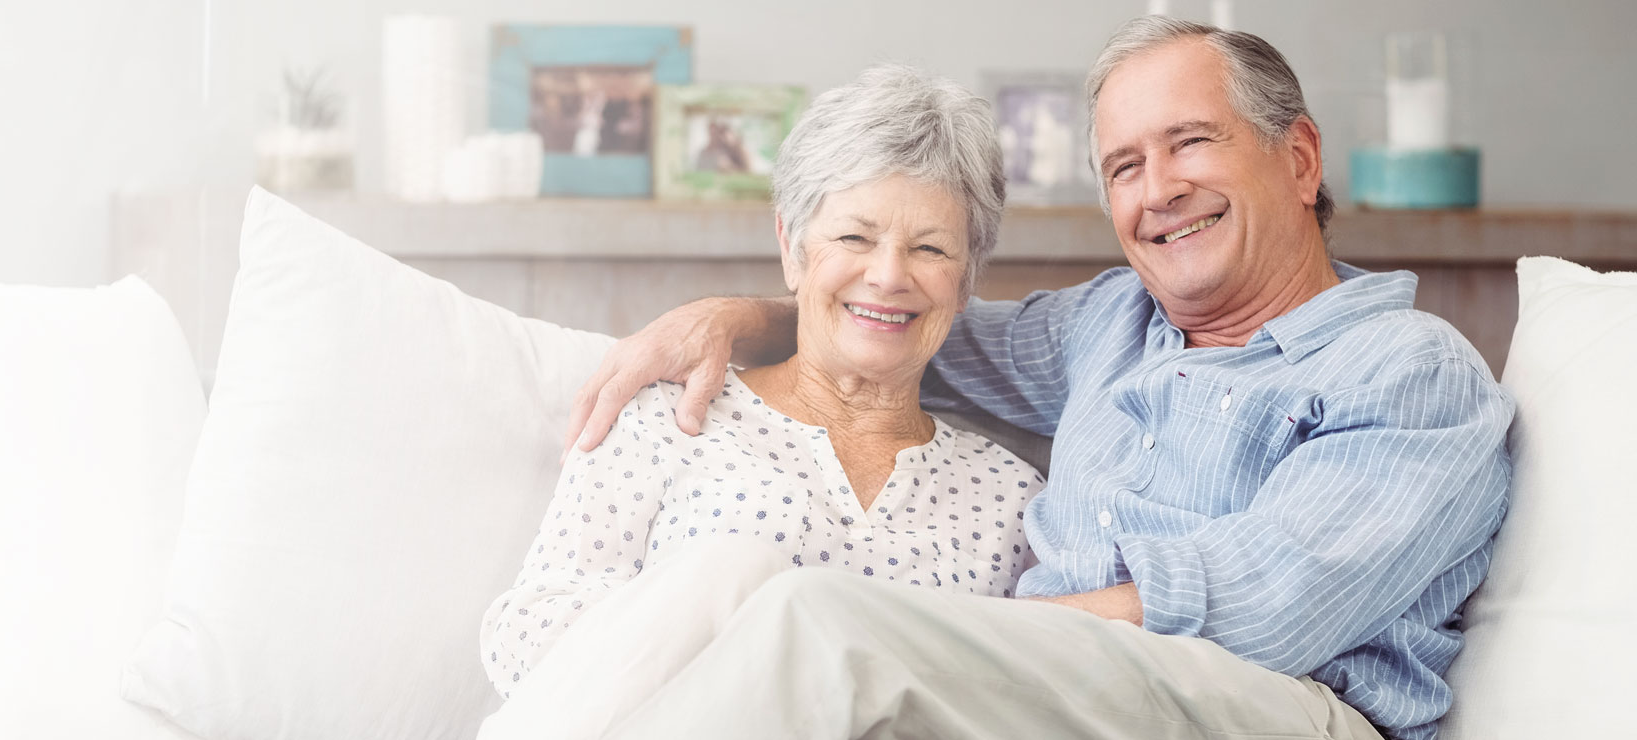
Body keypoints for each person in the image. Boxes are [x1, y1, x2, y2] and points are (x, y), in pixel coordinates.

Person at [559, 16, 1512, 740]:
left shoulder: (1410, 371)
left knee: (820, 620)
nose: (1157, 189)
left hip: (1275, 703)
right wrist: (735, 315)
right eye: (1125, 167)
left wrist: (960, 635)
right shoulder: (1112, 325)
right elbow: (902, 320)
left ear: (1298, 159)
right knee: (744, 585)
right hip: (1076, 694)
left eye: (1189, 143)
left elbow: (1266, 604)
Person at [478, 64, 1041, 734]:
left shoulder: (1009, 498)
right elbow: (525, 638)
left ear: (967, 279)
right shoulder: (669, 419)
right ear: (792, 249)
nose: (889, 276)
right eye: (854, 238)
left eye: (929, 248)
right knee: (737, 566)